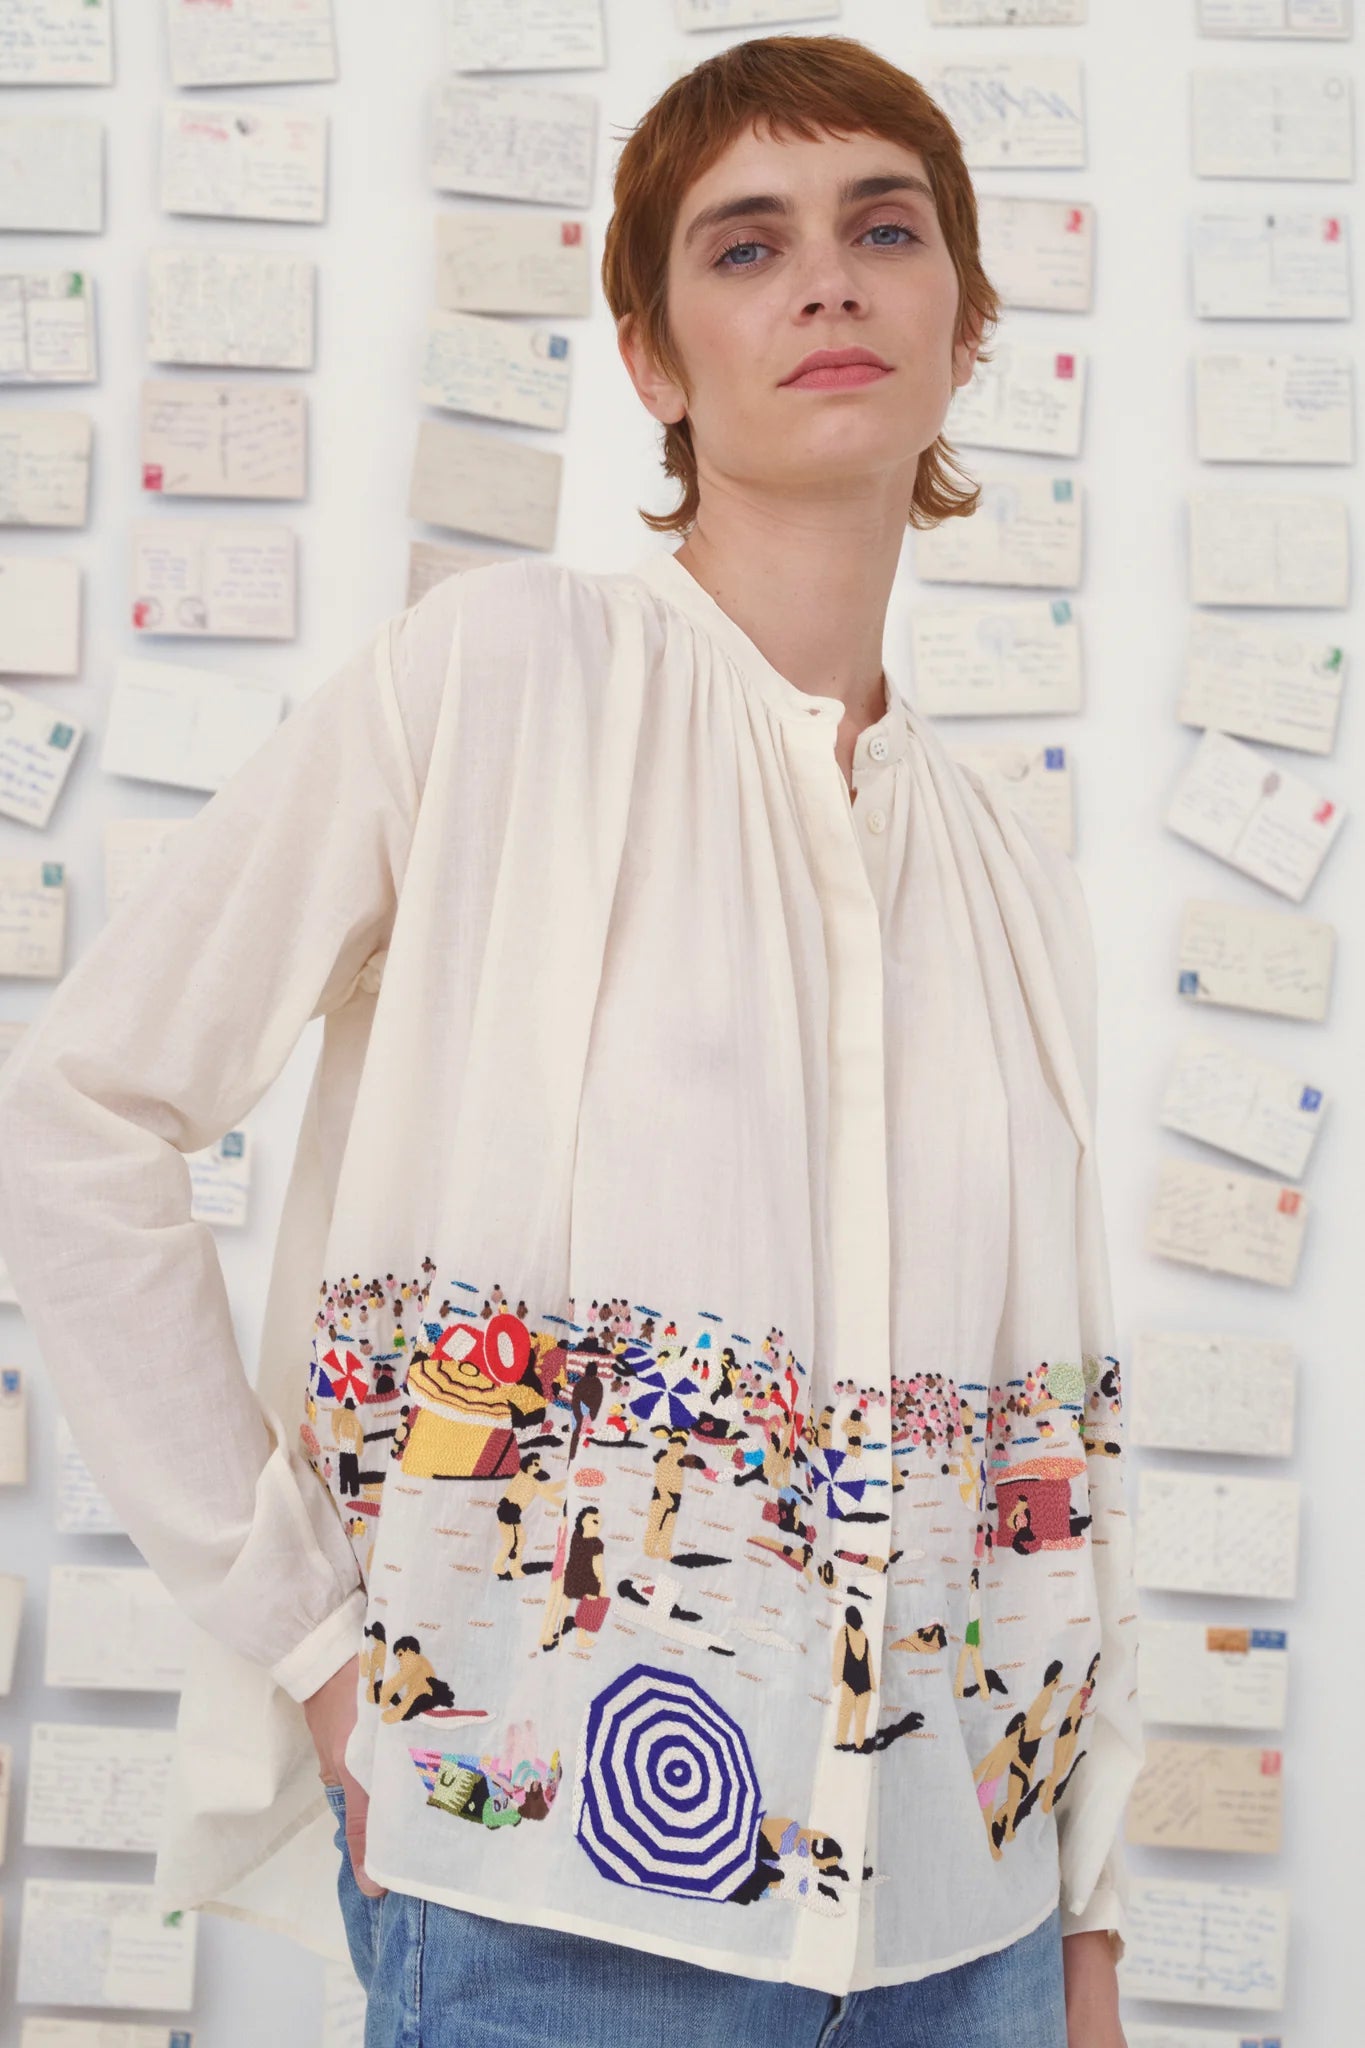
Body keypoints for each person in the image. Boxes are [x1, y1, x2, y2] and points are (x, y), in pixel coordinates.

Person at [0, 32, 1143, 2048]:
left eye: (884, 229)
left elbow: (1055, 1429)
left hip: (963, 1934)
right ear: (649, 356)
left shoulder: (998, 865)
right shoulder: (495, 680)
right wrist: (323, 1652)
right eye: (745, 245)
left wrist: (1085, 1937)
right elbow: (75, 1113)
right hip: (550, 1909)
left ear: (964, 322)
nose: (826, 280)